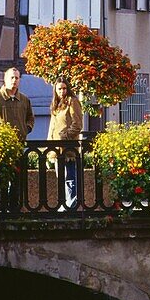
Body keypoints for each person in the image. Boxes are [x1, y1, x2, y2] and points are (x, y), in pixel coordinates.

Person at [0, 68, 34, 210]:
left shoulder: (24, 99)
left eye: (16, 78)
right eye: (11, 78)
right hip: (1, 147)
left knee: (17, 179)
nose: (14, 81)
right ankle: (1, 209)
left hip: (19, 145)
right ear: (5, 79)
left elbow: (30, 118)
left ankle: (15, 209)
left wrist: (26, 129)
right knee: (2, 179)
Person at [48, 80, 83, 210]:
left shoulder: (72, 101)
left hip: (69, 148)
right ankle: (64, 204)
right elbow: (52, 127)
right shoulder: (55, 105)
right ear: (55, 90)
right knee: (61, 178)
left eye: (64, 88)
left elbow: (77, 124)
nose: (62, 91)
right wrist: (50, 146)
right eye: (59, 89)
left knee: (70, 179)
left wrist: (65, 136)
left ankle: (71, 205)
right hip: (56, 148)